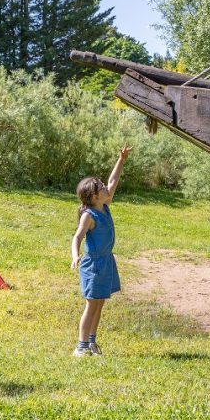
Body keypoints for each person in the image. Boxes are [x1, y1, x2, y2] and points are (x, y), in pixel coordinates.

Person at [70, 143, 132, 357]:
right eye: (101, 188)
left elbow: (113, 180)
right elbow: (77, 236)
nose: (106, 188)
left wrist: (121, 159)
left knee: (100, 304)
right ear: (95, 197)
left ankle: (92, 342)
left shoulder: (103, 206)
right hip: (93, 264)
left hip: (106, 262)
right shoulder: (89, 215)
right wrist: (75, 255)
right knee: (91, 304)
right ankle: (81, 346)